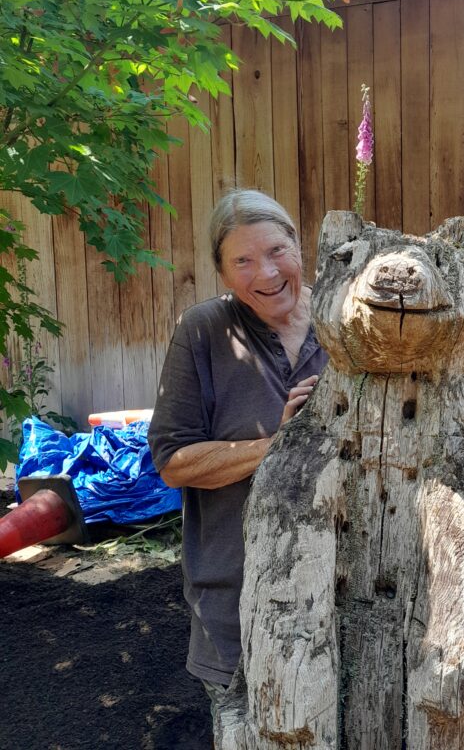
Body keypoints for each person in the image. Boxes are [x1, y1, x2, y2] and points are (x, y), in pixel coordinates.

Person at [147, 189, 328, 720]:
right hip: (235, 598)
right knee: (245, 727)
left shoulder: (348, 323)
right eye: (243, 261)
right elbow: (173, 462)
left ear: (298, 246)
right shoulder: (203, 332)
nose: (266, 273)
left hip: (344, 595)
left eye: (276, 251)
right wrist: (278, 445)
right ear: (222, 274)